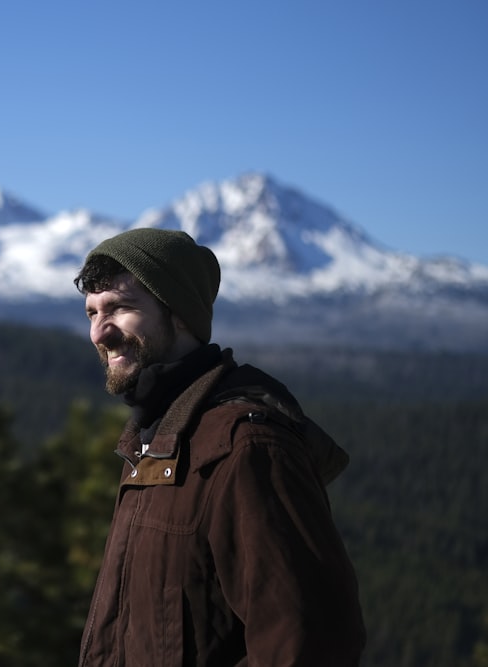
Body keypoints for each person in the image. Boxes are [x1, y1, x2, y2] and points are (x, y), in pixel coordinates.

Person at [74, 228, 366, 666]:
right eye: (92, 313)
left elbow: (309, 643)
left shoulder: (246, 447)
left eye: (120, 308)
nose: (99, 333)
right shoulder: (156, 442)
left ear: (180, 315)